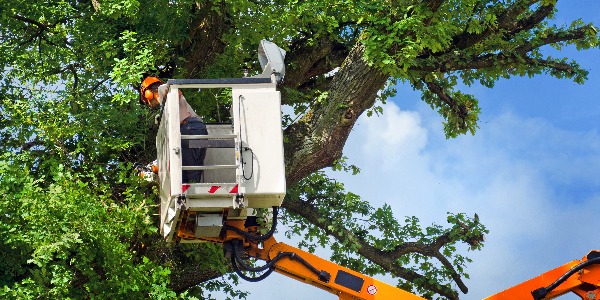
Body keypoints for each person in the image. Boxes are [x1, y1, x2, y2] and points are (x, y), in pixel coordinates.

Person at [140, 76, 207, 183]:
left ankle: (190, 189)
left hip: (189, 127)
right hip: (198, 128)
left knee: (188, 170)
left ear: (148, 93)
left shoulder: (162, 89)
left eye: (146, 99)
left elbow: (177, 92)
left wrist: (168, 103)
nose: (148, 103)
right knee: (193, 169)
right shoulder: (165, 106)